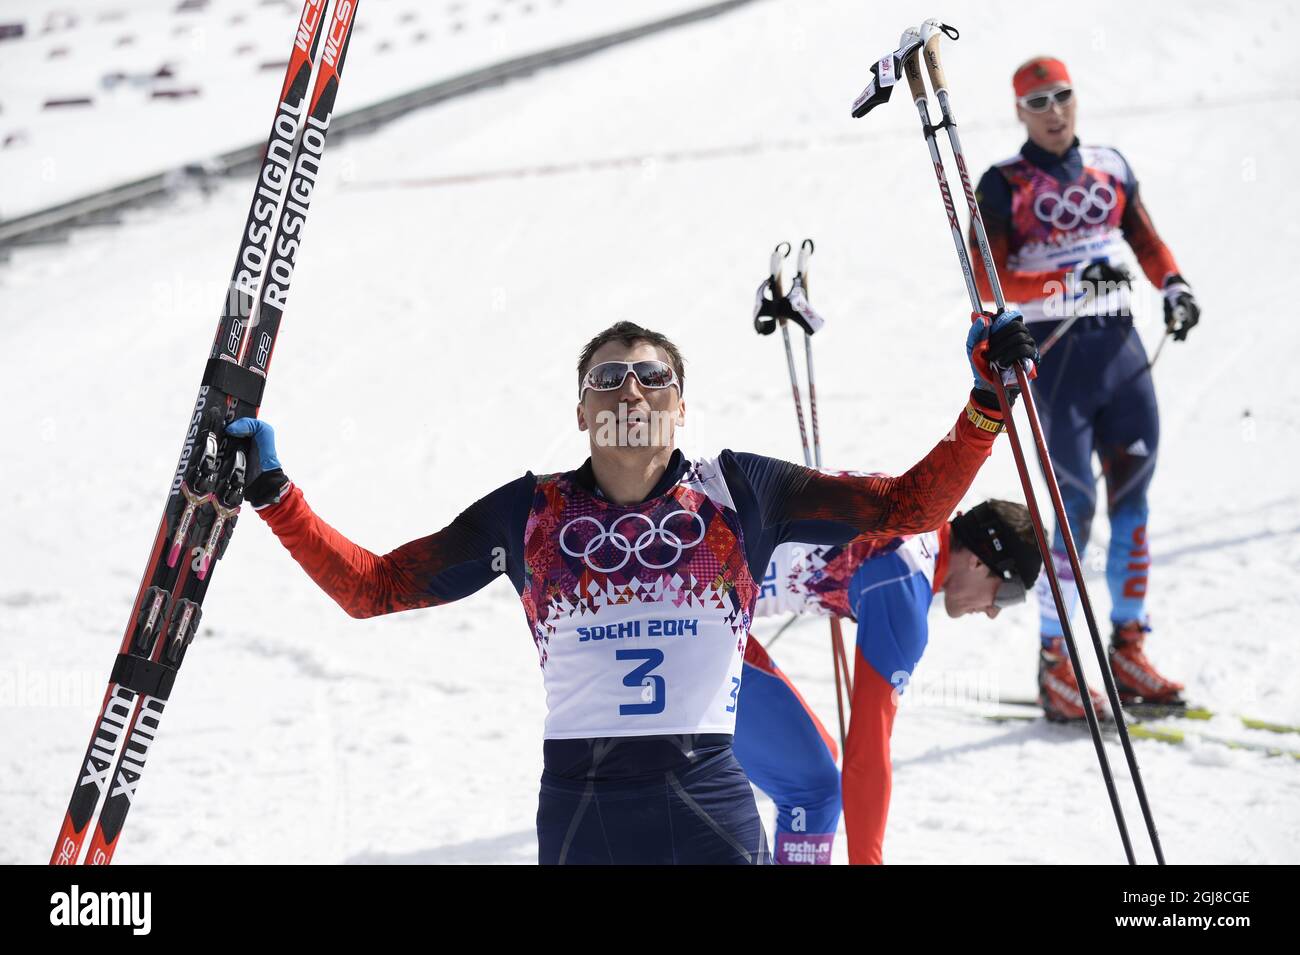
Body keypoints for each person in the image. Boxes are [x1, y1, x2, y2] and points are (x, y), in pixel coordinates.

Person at [225, 315, 1037, 864]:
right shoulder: (530, 511)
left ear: (681, 406)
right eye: (609, 378)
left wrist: (987, 402)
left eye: (653, 377)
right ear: (581, 410)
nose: (632, 391)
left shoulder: (742, 491)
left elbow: (909, 508)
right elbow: (374, 587)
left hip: (709, 800)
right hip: (586, 813)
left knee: (814, 782)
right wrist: (275, 495)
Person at [971, 56, 1200, 721]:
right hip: (1054, 357)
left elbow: (1145, 238)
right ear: (1019, 110)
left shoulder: (1111, 165)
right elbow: (988, 279)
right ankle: (1058, 662)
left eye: (1062, 96)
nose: (1052, 109)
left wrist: (1176, 286)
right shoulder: (1003, 183)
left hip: (1119, 350)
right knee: (1075, 509)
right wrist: (1067, 286)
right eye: (1037, 100)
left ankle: (1128, 645)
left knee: (1133, 500)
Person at [734, 500, 1041, 865]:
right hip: (689, 610)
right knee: (811, 788)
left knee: (814, 769)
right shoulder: (903, 588)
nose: (993, 612)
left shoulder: (916, 511)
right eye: (1007, 595)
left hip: (686, 588)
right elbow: (868, 749)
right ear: (977, 560)